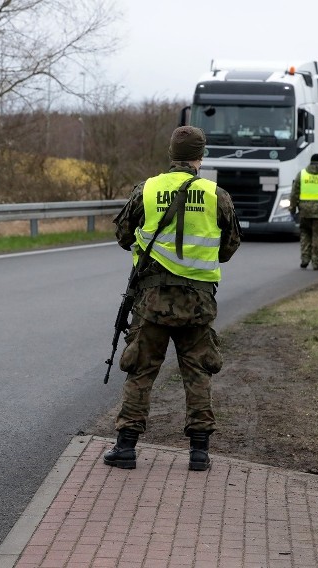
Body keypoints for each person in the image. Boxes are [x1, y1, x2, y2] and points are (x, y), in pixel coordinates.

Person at [104, 126, 241, 472]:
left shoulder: (147, 189)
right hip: (197, 303)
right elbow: (228, 248)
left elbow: (123, 236)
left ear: (171, 153)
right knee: (197, 374)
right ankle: (199, 452)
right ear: (200, 155)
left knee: (140, 371)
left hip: (151, 301)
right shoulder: (216, 195)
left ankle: (125, 448)